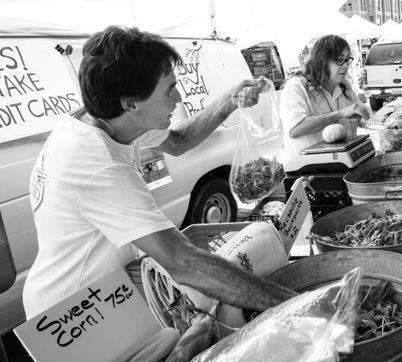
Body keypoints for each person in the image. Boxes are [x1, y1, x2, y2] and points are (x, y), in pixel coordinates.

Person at [23, 26, 296, 318]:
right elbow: (184, 263)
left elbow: (179, 141)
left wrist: (230, 100)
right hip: (70, 313)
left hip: (105, 292)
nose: (178, 98)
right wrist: (293, 302)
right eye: (169, 89)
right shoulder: (99, 164)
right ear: (131, 103)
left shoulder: (113, 118)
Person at [280, 34, 369, 162]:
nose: (345, 65)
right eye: (339, 60)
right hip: (308, 169)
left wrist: (360, 115)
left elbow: (362, 117)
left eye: (347, 59)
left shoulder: (343, 86)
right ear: (322, 60)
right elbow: (295, 129)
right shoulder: (296, 86)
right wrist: (339, 114)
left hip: (341, 165)